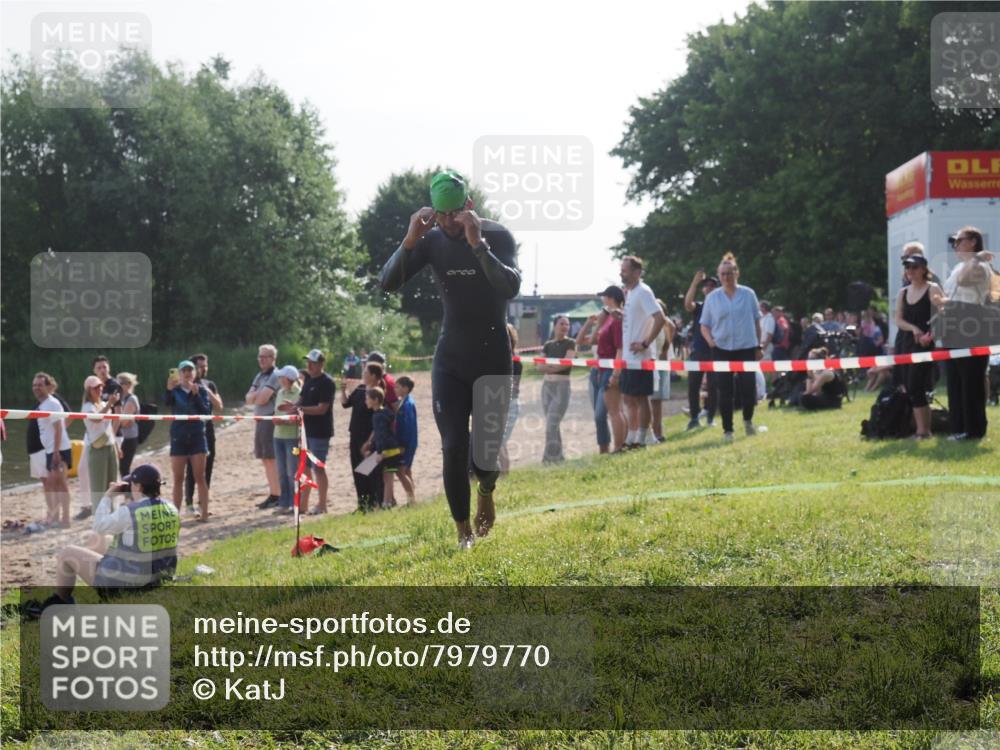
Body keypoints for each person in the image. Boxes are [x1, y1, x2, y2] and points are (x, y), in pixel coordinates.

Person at [379, 169, 519, 548]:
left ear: (469, 206)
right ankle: (463, 532)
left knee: (485, 455)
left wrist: (478, 246)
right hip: (451, 359)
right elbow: (387, 283)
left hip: (492, 357)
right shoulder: (432, 240)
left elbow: (511, 286)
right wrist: (410, 241)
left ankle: (486, 493)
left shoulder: (497, 235)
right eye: (441, 216)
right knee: (454, 445)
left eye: (454, 214)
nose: (448, 223)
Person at [41, 464, 179, 609]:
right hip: (161, 577)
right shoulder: (172, 509)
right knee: (97, 541)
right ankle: (96, 569)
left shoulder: (130, 511)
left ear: (138, 487)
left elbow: (98, 526)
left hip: (128, 587)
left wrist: (108, 497)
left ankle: (61, 600)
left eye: (132, 484)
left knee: (67, 552)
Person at [699, 252, 763, 441]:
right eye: (723, 274)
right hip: (722, 348)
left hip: (746, 347)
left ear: (737, 273)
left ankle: (748, 420)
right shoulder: (712, 298)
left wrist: (758, 346)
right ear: (719, 276)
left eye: (729, 273)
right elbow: (704, 325)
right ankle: (728, 430)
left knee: (748, 387)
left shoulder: (748, 294)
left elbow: (757, 321)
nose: (726, 277)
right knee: (724, 390)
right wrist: (711, 341)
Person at [942, 226, 994, 440]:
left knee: (970, 380)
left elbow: (965, 282)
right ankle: (958, 427)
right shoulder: (960, 267)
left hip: (971, 321)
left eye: (959, 240)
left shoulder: (979, 265)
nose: (955, 245)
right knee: (954, 379)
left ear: (973, 241)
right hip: (954, 320)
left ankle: (973, 430)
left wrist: (976, 258)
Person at [618, 256, 667, 449]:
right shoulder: (630, 293)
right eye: (621, 269)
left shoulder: (644, 291)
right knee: (629, 397)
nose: (621, 273)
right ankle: (632, 437)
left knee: (641, 398)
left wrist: (645, 343)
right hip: (629, 357)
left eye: (625, 270)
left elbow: (660, 318)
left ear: (637, 272)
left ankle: (645, 437)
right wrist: (620, 315)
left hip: (641, 357)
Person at [894, 253, 944, 439]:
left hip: (924, 344)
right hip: (906, 343)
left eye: (914, 267)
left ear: (924, 269)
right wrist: (913, 328)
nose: (910, 271)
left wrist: (931, 335)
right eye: (907, 267)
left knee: (916, 385)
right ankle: (919, 429)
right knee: (908, 386)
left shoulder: (933, 288)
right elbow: (898, 319)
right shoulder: (903, 292)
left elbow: (943, 315)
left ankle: (923, 431)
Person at [575, 286, 625, 453]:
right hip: (598, 370)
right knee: (600, 416)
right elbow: (582, 341)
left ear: (610, 298)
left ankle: (618, 447)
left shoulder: (617, 318)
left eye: (604, 297)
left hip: (609, 369)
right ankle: (604, 449)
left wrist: (616, 373)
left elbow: (620, 347)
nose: (602, 300)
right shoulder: (608, 319)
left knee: (609, 412)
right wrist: (590, 323)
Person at [165, 361, 212, 519]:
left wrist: (196, 394)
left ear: (195, 373)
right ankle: (175, 515)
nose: (187, 373)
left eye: (190, 370)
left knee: (200, 476)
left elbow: (206, 412)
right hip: (178, 436)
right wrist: (168, 390)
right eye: (184, 370)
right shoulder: (175, 390)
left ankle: (204, 513)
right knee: (178, 477)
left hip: (197, 436)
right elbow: (166, 404)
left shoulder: (202, 390)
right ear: (179, 373)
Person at [293, 349, 335, 515]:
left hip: (320, 432)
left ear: (321, 364)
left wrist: (299, 408)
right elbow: (300, 400)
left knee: (318, 468)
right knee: (305, 467)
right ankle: (304, 504)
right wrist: (292, 407)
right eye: (308, 362)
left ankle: (322, 504)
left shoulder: (327, 382)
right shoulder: (309, 381)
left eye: (313, 362)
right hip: (306, 430)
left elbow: (322, 409)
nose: (309, 365)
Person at [184, 354, 223, 514]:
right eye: (200, 366)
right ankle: (188, 505)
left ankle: (203, 504)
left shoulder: (210, 384)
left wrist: (206, 391)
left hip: (208, 429)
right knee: (192, 469)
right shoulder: (185, 385)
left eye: (205, 365)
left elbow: (219, 406)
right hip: (190, 430)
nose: (204, 368)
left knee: (208, 467)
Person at [33, 372, 72, 527]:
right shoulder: (43, 405)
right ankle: (56, 518)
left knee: (61, 484)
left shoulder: (52, 403)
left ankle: (66, 519)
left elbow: (59, 429)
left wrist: (56, 452)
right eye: (34, 385)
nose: (36, 388)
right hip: (51, 450)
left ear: (48, 387)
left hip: (59, 450)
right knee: (53, 484)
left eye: (40, 385)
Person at [245, 344, 281, 509]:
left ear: (273, 359)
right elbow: (248, 398)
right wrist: (256, 395)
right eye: (260, 356)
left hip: (269, 419)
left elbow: (262, 399)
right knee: (265, 459)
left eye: (265, 356)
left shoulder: (275, 375)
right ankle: (273, 493)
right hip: (260, 419)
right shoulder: (260, 375)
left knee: (271, 458)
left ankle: (277, 494)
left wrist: (256, 395)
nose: (261, 359)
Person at [683, 271, 720, 430]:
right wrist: (694, 282)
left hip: (716, 351)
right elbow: (687, 304)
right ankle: (694, 418)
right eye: (706, 286)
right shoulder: (699, 307)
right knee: (693, 385)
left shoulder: (722, 306)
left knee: (713, 386)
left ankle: (711, 417)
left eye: (712, 286)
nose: (709, 288)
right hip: (698, 351)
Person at [537, 315, 576, 463]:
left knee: (552, 422)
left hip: (561, 387)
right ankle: (558, 457)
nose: (565, 326)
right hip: (546, 387)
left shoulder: (570, 343)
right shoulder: (548, 344)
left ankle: (548, 458)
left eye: (567, 324)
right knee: (552, 423)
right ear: (555, 326)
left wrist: (549, 368)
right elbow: (539, 366)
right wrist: (554, 368)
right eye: (562, 323)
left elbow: (567, 363)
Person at [81, 375, 122, 513]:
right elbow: (97, 419)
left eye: (100, 387)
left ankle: (111, 513)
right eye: (95, 387)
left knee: (112, 484)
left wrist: (116, 446)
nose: (99, 389)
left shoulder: (103, 404)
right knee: (99, 486)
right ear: (88, 390)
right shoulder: (87, 407)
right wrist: (110, 404)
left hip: (109, 446)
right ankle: (100, 517)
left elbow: (109, 428)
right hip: (97, 449)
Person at [341, 363, 378, 512]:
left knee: (368, 471)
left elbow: (378, 418)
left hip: (369, 438)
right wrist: (343, 390)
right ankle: (362, 504)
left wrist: (370, 441)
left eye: (366, 372)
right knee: (357, 470)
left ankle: (373, 503)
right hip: (354, 435)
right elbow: (345, 403)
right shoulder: (360, 389)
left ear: (374, 375)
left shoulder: (377, 392)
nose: (363, 374)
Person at [272, 365, 302, 515]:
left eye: (281, 377)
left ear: (287, 379)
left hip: (292, 438)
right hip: (278, 436)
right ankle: (284, 503)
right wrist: (276, 419)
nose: (279, 379)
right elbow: (277, 412)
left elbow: (300, 417)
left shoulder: (299, 393)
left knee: (292, 471)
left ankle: (294, 503)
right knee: (282, 472)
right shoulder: (280, 392)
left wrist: (285, 421)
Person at [364, 387, 401, 509]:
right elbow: (378, 434)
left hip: (389, 452)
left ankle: (386, 503)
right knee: (386, 476)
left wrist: (382, 453)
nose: (366, 401)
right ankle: (386, 502)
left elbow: (384, 435)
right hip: (387, 450)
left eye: (368, 398)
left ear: (375, 400)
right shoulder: (380, 413)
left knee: (388, 477)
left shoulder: (379, 415)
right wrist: (370, 444)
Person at [649, 299, 676, 442]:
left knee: (657, 402)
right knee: (651, 402)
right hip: (653, 365)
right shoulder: (649, 324)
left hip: (661, 365)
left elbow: (665, 350)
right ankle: (653, 432)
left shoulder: (666, 325)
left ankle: (658, 432)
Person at [498, 323, 524, 470]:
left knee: (498, 443)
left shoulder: (514, 361)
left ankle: (504, 474)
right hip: (500, 404)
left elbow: (512, 387)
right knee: (499, 442)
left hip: (510, 405)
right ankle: (504, 474)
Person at [394, 375, 418, 504]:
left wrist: (402, 445)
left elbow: (407, 426)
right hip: (409, 442)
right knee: (407, 470)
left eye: (397, 387)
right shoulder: (404, 401)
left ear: (405, 388)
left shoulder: (407, 404)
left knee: (400, 471)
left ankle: (411, 500)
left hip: (407, 443)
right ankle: (413, 498)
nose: (395, 389)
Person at [115, 372, 141, 478]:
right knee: (120, 468)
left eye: (121, 384)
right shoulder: (120, 398)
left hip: (129, 437)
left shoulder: (131, 399)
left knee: (124, 468)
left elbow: (124, 422)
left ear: (129, 385)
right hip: (121, 437)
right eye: (117, 384)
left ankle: (129, 492)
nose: (118, 386)